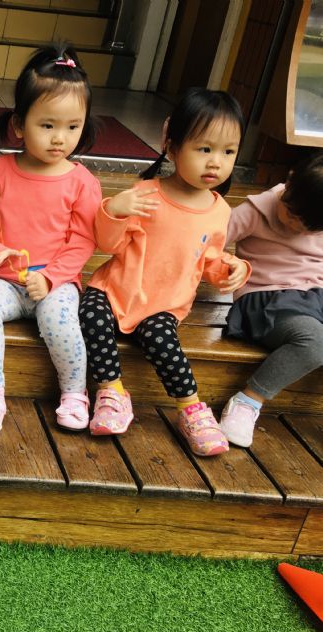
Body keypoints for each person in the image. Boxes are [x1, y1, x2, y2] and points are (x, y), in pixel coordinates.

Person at [80, 88, 251, 456]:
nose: (215, 162)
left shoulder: (220, 211)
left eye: (228, 152)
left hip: (163, 304)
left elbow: (209, 262)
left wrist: (230, 269)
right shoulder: (147, 194)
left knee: (161, 339)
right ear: (172, 147)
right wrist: (115, 210)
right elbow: (108, 243)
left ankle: (191, 408)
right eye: (204, 149)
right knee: (90, 314)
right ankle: (111, 392)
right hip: (116, 289)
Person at [0, 44, 102, 441]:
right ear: (20, 125)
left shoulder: (81, 182)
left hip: (55, 283)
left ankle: (74, 393)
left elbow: (83, 238)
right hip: (5, 281)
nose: (60, 138)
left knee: (61, 321)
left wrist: (53, 277)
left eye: (73, 127)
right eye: (48, 125)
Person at [219, 152, 323, 447]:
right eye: (292, 215)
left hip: (315, 295)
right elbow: (208, 241)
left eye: (311, 228)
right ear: (289, 181)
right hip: (267, 297)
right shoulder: (256, 210)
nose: (298, 228)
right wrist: (229, 263)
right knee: (315, 342)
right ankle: (247, 401)